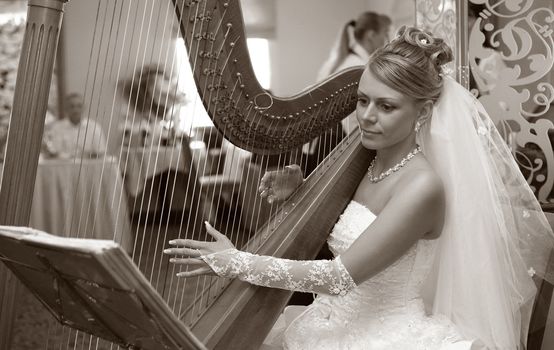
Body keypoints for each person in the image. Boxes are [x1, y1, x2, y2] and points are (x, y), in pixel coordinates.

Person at [164, 27, 554, 349]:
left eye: (387, 107)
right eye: (363, 100)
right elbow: (350, 225)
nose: (367, 116)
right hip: (332, 325)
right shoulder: (366, 162)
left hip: (385, 335)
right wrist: (302, 188)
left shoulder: (422, 188)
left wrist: (235, 261)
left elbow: (338, 277)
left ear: (423, 112)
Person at [303, 12, 391, 175]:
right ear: (371, 35)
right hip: (337, 144)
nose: (386, 40)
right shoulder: (359, 66)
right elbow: (352, 118)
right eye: (385, 33)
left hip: (323, 144)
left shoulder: (336, 60)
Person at [42, 93, 107, 159]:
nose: (75, 110)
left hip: (88, 167)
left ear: (84, 108)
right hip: (63, 167)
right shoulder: (57, 128)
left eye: (79, 106)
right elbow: (53, 153)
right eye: (72, 106)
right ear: (66, 109)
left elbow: (100, 153)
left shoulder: (95, 128)